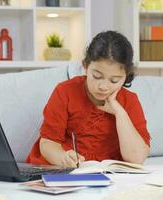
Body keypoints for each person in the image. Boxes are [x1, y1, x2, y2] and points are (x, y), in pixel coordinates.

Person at [26, 31, 151, 168]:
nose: (103, 87)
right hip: (64, 168)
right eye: (97, 76)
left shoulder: (129, 101)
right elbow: (48, 143)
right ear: (85, 66)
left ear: (126, 76)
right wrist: (63, 158)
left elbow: (136, 158)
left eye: (114, 80)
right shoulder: (65, 92)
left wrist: (120, 114)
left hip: (107, 175)